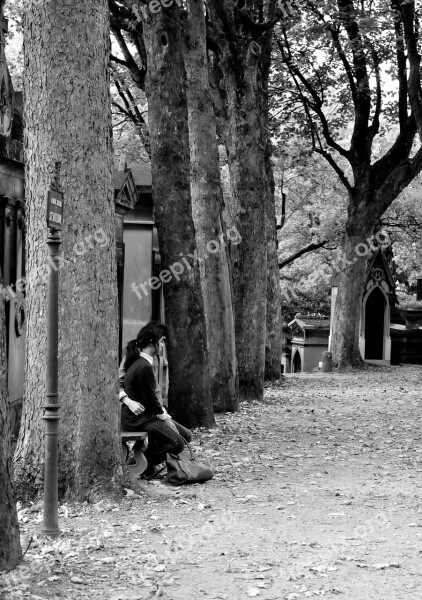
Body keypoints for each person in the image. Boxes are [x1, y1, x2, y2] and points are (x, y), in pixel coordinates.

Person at [121, 326, 191, 479]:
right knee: (177, 443)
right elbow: (151, 400)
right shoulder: (142, 366)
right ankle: (134, 465)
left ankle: (146, 466)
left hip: (148, 416)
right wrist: (164, 418)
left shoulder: (144, 363)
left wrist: (164, 417)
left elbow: (151, 398)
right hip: (138, 419)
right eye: (162, 341)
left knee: (186, 435)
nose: (164, 345)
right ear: (152, 342)